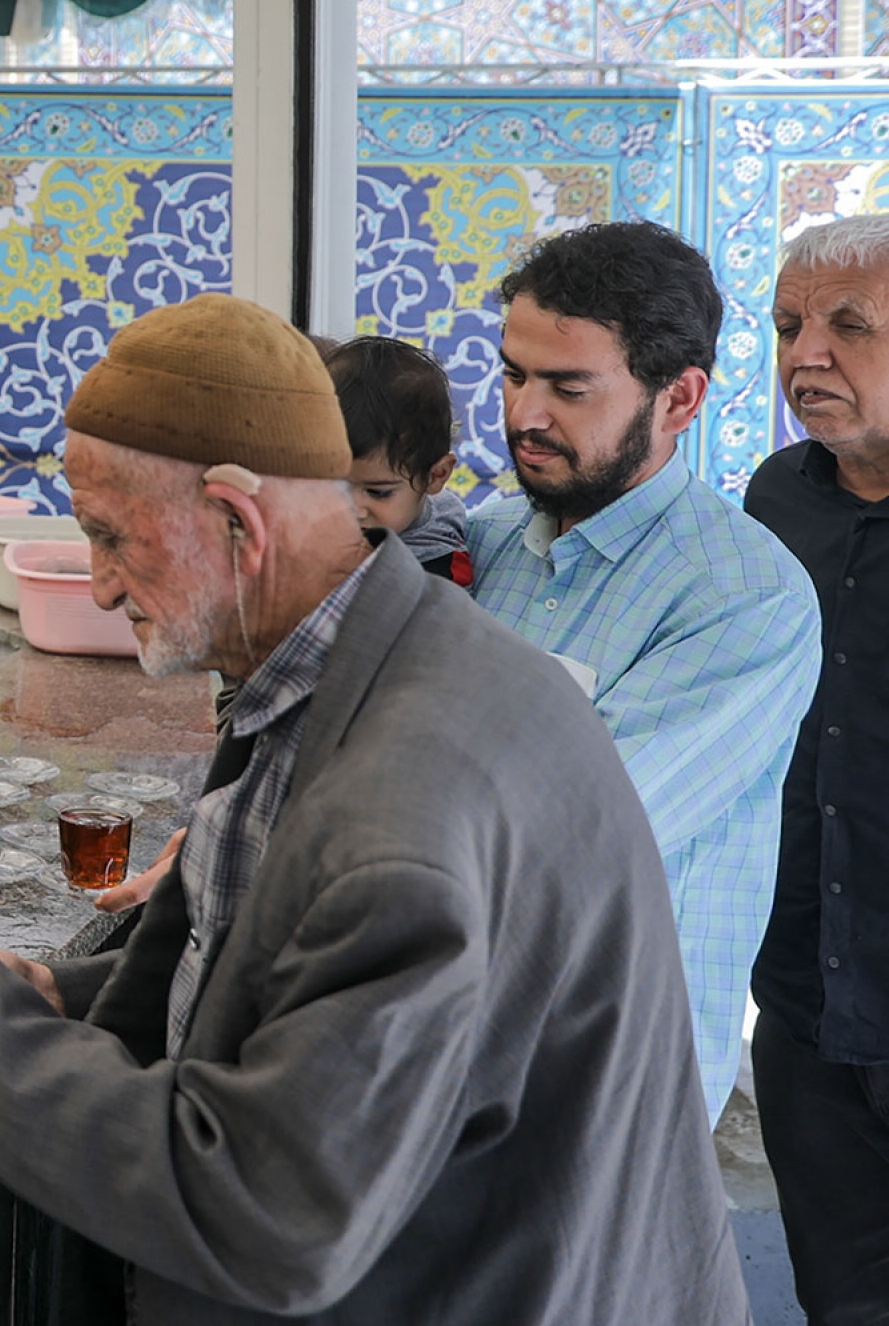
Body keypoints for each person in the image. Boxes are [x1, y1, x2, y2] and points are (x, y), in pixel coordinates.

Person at [0, 293, 751, 1324]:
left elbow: (267, 1212)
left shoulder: (403, 810)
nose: (97, 587)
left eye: (113, 538)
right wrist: (60, 996)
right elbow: (284, 966)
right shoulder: (357, 668)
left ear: (237, 521)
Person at [465, 221, 821, 1128]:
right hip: (448, 1054)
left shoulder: (746, 598)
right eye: (513, 374)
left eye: (568, 388)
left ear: (680, 399)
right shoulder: (478, 546)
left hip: (601, 1099)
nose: (522, 416)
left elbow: (577, 829)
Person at [742, 212, 889, 1323]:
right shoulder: (771, 502)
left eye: (847, 327)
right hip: (805, 1001)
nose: (804, 356)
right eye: (788, 325)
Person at [324, 335, 470, 586]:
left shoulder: (437, 569)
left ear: (436, 476)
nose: (352, 509)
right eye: (332, 486)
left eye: (377, 492)